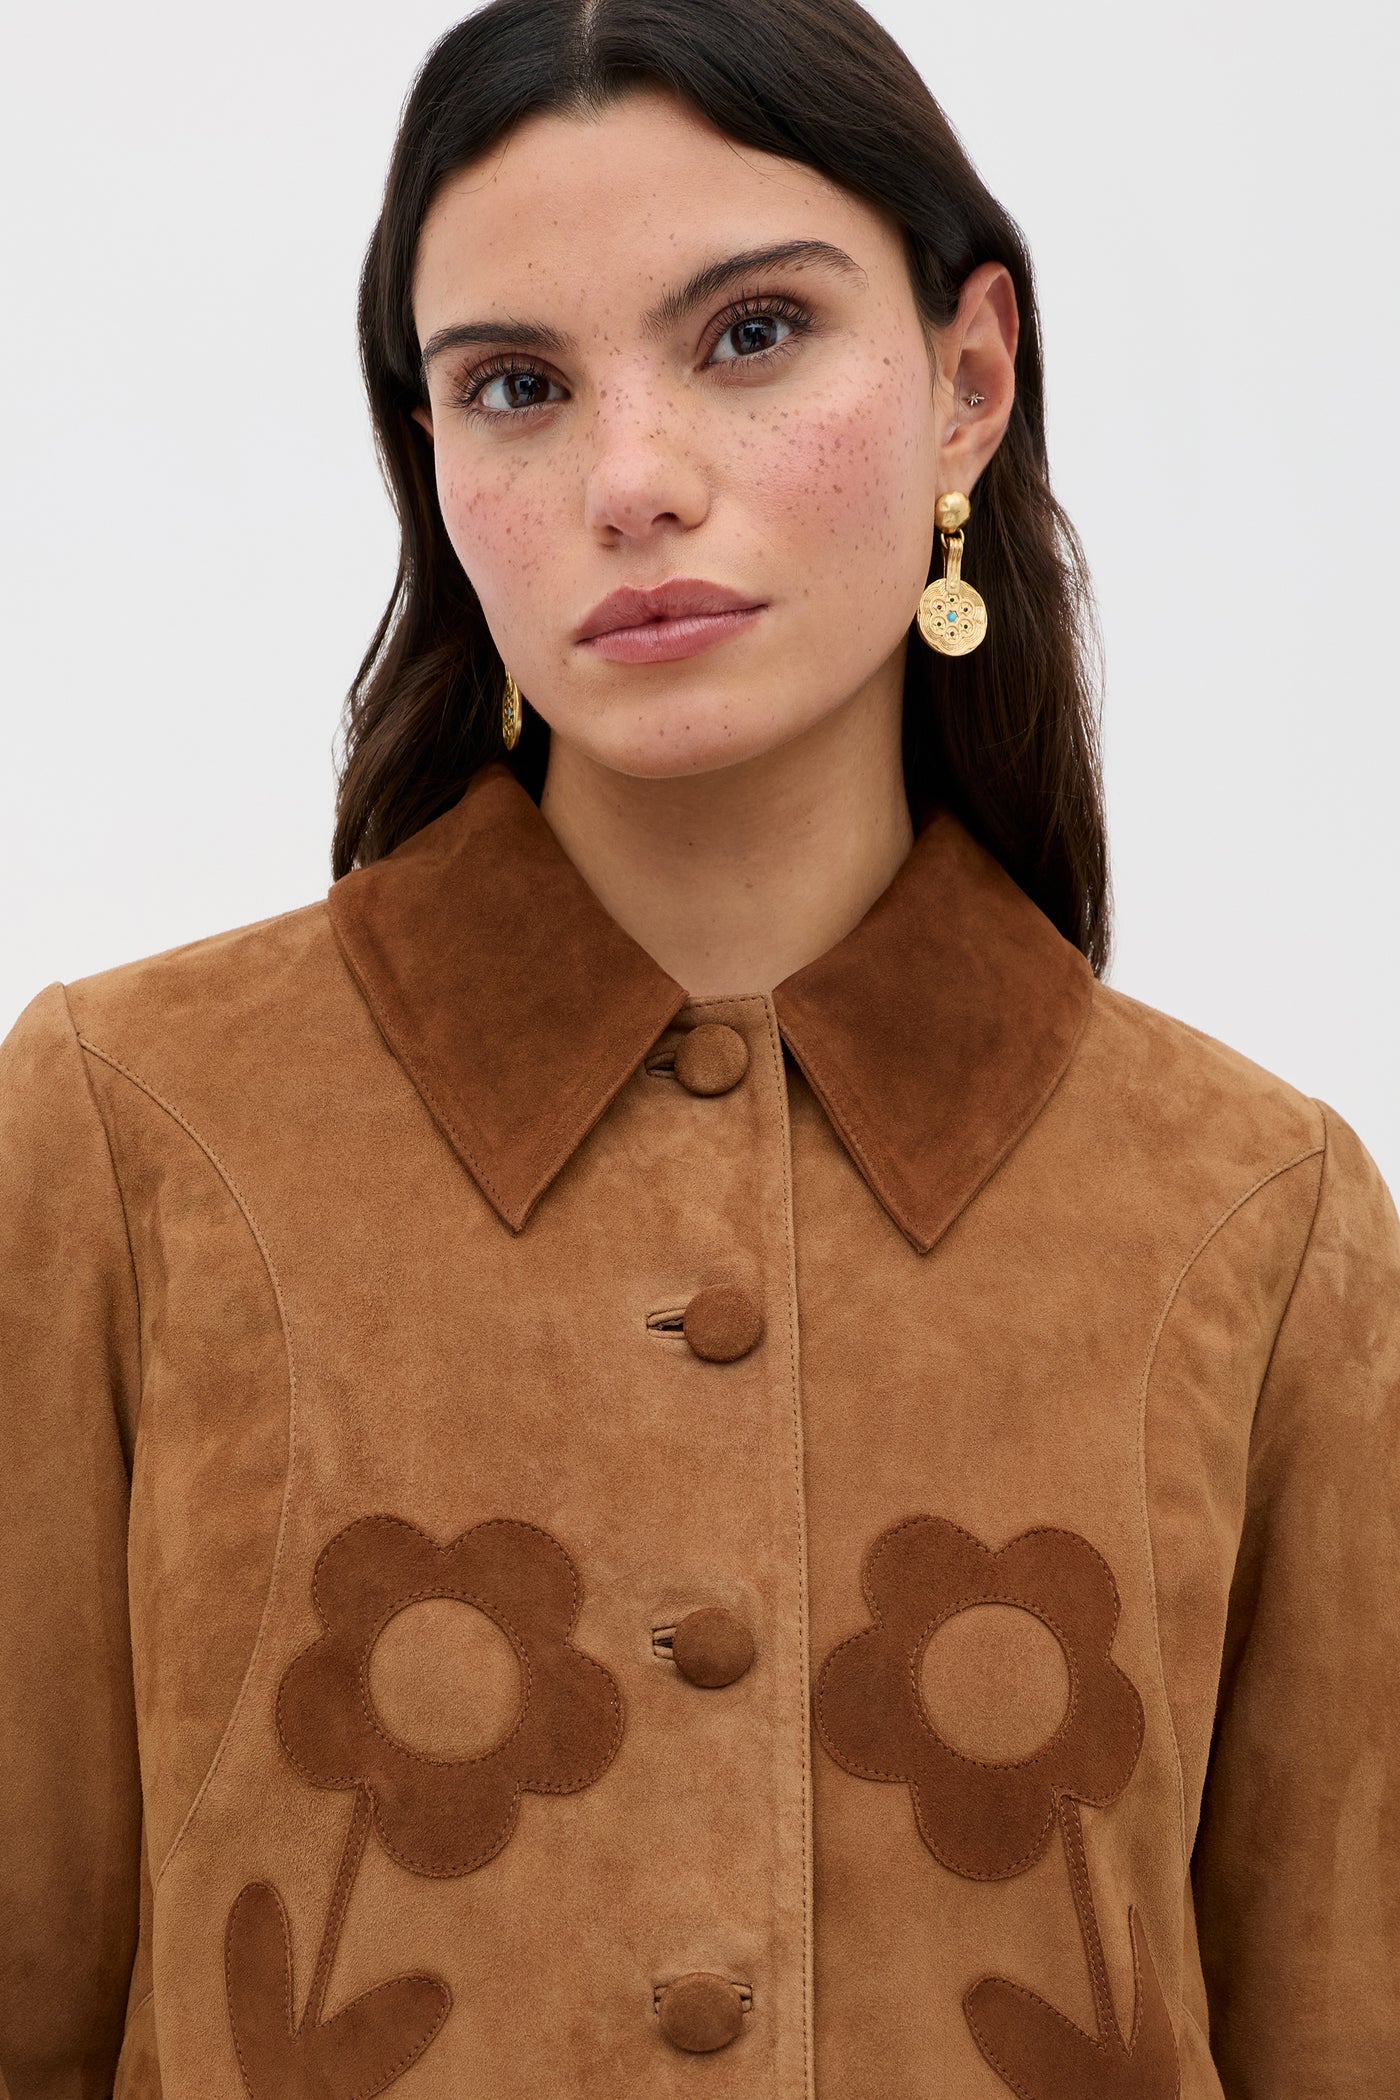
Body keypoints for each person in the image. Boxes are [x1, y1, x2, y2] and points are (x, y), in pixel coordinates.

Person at [2, 0, 1395, 2093]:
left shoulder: (1262, 1222)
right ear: (433, 460)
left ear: (969, 379)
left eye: (751, 334)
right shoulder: (128, 1138)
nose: (633, 482)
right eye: (516, 386)